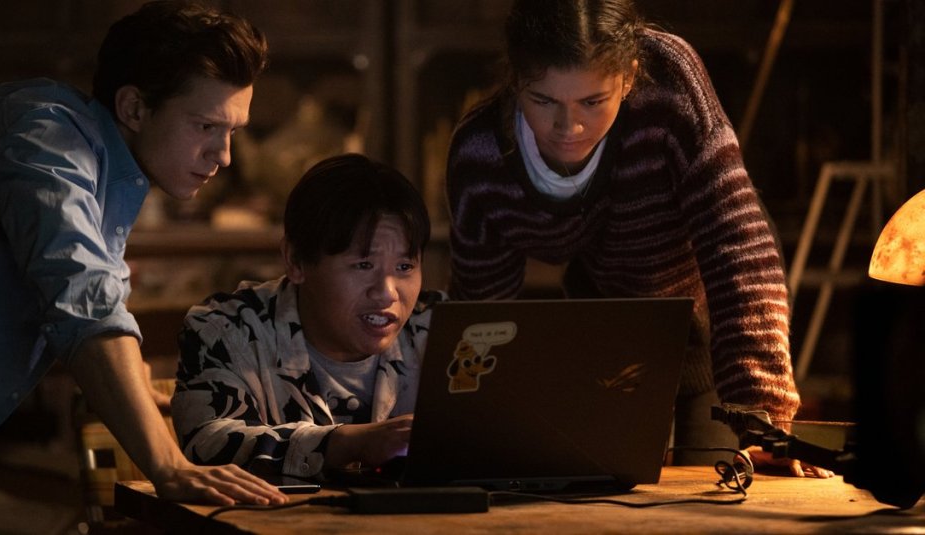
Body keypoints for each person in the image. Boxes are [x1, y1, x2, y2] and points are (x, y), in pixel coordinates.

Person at [0, 1, 289, 514]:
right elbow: (84, 299)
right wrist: (169, 466)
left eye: (232, 132)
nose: (224, 155)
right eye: (205, 127)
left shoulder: (110, 179)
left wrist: (137, 393)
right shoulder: (45, 136)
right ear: (133, 108)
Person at [444, 0, 831, 477]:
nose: (569, 129)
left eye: (592, 101)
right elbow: (483, 318)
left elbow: (736, 247)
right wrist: (474, 433)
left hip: (715, 316)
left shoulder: (668, 83)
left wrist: (763, 421)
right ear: (515, 79)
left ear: (628, 78)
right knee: (598, 485)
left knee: (715, 485)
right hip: (611, 324)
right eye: (543, 101)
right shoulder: (482, 156)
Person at [172, 153, 445, 479]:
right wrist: (344, 443)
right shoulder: (228, 330)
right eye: (363, 265)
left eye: (404, 267)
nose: (387, 293)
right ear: (297, 261)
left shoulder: (445, 332)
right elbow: (207, 444)